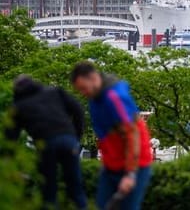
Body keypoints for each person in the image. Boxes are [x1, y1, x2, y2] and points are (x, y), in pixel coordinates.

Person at [70, 62, 152, 210]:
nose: (83, 93)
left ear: (93, 78)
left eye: (83, 88)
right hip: (111, 165)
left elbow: (132, 134)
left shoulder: (114, 98)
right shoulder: (95, 99)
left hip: (134, 165)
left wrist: (130, 174)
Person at [5, 75, 87, 209]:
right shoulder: (54, 91)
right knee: (75, 186)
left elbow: (11, 136)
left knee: (49, 190)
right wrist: (76, 137)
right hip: (68, 139)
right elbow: (78, 109)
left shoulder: (18, 106)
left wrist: (9, 160)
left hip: (46, 143)